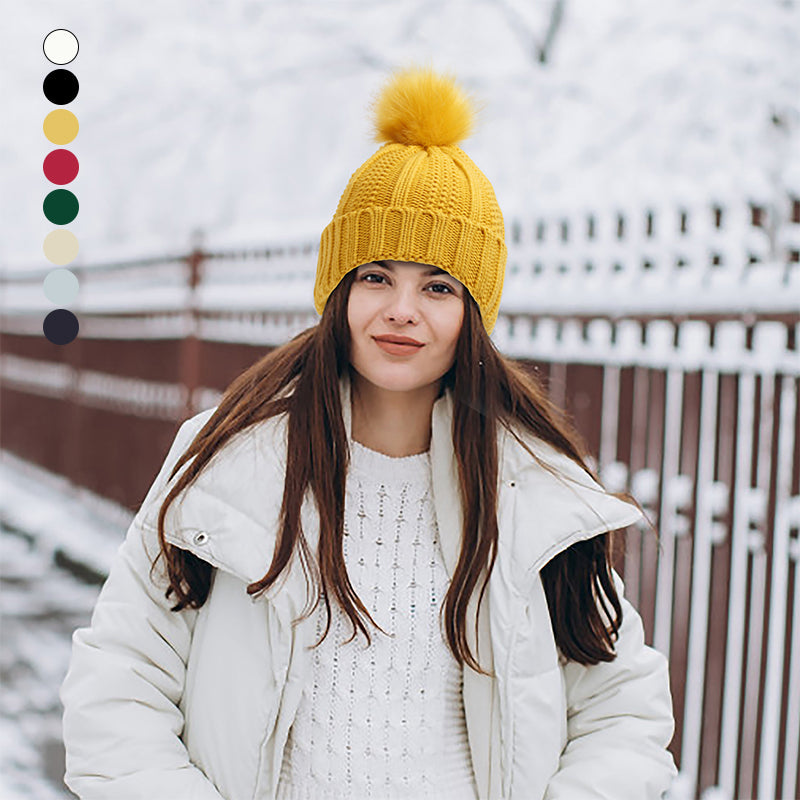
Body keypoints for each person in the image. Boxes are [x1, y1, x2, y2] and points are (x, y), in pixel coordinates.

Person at [60, 64, 678, 800]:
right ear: (338, 290)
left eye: (438, 286)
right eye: (377, 276)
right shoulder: (231, 463)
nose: (402, 310)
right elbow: (121, 683)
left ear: (473, 314)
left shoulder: (532, 492)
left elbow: (622, 710)